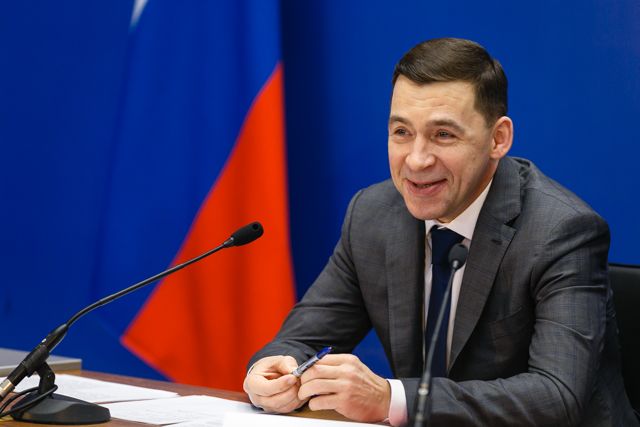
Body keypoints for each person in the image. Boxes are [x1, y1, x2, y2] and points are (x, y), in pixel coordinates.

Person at [243, 38, 638, 426]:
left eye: (443, 135)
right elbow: (302, 341)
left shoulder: (561, 231)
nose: (416, 160)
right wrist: (273, 371)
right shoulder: (373, 215)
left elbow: (556, 397)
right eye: (402, 132)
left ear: (498, 139)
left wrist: (389, 399)